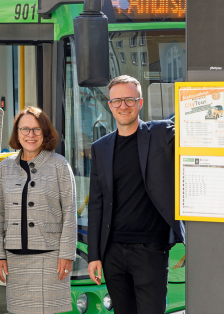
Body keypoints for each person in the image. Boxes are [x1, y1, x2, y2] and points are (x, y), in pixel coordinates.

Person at [87, 75, 185, 314]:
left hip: (150, 248)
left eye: (130, 100)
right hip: (112, 251)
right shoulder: (101, 147)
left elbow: (195, 125)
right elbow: (97, 204)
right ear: (109, 106)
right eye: (117, 101)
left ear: (140, 103)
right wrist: (94, 256)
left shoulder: (161, 133)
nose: (123, 106)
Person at [0, 106, 77, 314]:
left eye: (37, 129)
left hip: (51, 259)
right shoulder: (4, 168)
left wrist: (67, 254)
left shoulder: (60, 165)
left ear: (45, 133)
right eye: (25, 129)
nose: (31, 135)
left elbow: (70, 212)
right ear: (17, 134)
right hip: (15, 259)